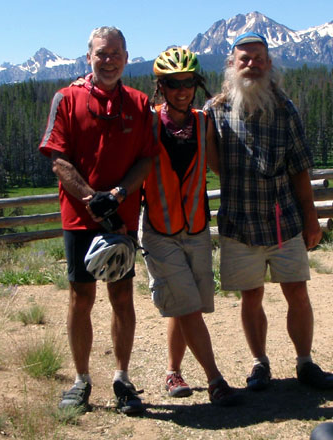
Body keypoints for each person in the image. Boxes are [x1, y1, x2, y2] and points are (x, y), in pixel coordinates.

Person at [205, 32, 333, 393]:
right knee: (251, 295)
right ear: (232, 65)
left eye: (259, 58)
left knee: (297, 291)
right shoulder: (215, 111)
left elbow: (299, 169)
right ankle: (259, 363)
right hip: (239, 221)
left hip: (284, 220)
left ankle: (305, 362)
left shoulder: (284, 108)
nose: (252, 64)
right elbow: (212, 163)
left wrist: (311, 219)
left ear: (269, 64)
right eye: (244, 59)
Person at [38, 26, 159, 415]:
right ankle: (81, 380)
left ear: (126, 57)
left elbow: (147, 158)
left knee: (122, 297)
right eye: (101, 54)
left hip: (120, 221)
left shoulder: (139, 104)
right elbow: (57, 158)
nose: (108, 61)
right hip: (79, 219)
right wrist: (91, 198)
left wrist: (119, 196)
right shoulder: (67, 99)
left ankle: (122, 379)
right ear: (88, 56)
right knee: (81, 297)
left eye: (116, 54)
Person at [139, 47, 238, 406]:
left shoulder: (202, 121)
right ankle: (215, 380)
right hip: (160, 230)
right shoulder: (148, 122)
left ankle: (172, 370)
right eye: (173, 84)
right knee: (188, 305)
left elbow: (216, 164)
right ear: (160, 87)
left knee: (185, 304)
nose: (182, 90)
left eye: (188, 83)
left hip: (196, 228)